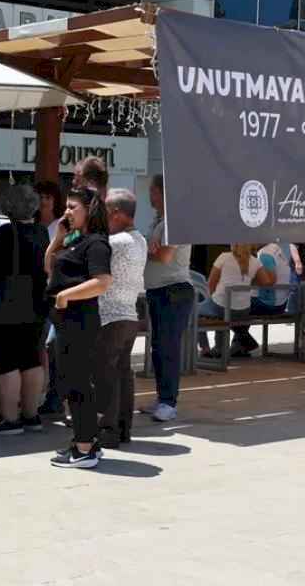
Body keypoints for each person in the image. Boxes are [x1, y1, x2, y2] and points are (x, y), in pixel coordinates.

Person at [45, 188, 112, 468]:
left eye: (73, 207)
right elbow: (49, 269)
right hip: (65, 321)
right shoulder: (74, 240)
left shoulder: (96, 243)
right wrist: (57, 240)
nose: (67, 212)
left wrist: (66, 295)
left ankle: (84, 447)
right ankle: (85, 442)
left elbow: (103, 281)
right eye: (67, 207)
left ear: (89, 210)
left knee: (77, 383)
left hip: (79, 321)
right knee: (68, 381)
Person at [0, 184, 50, 436]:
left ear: (8, 207)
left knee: (6, 361)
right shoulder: (42, 233)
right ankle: (31, 416)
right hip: (36, 305)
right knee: (30, 359)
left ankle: (9, 419)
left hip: (5, 307)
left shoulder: (5, 234)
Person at [95, 188, 146, 447]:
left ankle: (108, 431)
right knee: (123, 374)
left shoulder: (117, 243)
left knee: (107, 376)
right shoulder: (140, 240)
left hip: (111, 317)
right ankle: (124, 429)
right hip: (129, 314)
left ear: (115, 214)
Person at [143, 174, 194, 423]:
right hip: (158, 291)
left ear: (162, 192)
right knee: (158, 347)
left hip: (173, 291)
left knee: (168, 347)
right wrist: (149, 248)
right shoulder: (159, 221)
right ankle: (162, 397)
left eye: (152, 191)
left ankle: (168, 402)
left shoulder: (177, 221)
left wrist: (146, 249)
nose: (149, 195)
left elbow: (163, 255)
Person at [198, 245, 274, 358]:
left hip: (221, 305)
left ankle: (205, 348)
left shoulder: (223, 257)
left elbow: (211, 284)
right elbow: (266, 282)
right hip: (243, 309)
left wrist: (213, 297)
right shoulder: (255, 262)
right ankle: (223, 346)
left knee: (193, 310)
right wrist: (247, 282)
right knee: (222, 313)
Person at [33, 180, 66, 416]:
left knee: (50, 346)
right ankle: (41, 392)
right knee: (39, 347)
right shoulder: (33, 225)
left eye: (48, 197)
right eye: (40, 196)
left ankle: (53, 395)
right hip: (33, 294)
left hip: (53, 294)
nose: (44, 201)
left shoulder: (59, 227)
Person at [232, 242, 294, 356]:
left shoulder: (265, 253)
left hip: (269, 304)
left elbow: (270, 280)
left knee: (229, 306)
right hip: (281, 303)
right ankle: (238, 346)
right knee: (243, 304)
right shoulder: (277, 249)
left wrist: (249, 280)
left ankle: (244, 341)